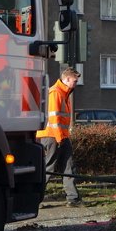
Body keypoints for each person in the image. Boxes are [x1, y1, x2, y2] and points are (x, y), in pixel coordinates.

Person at [36, 67, 82, 206]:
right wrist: (59, 138)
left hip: (60, 137)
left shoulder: (64, 93)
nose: (76, 83)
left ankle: (73, 198)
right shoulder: (56, 92)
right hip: (52, 136)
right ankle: (35, 199)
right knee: (49, 168)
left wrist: (63, 137)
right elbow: (54, 119)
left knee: (68, 166)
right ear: (67, 79)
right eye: (74, 80)